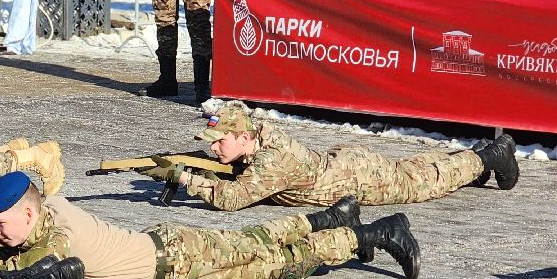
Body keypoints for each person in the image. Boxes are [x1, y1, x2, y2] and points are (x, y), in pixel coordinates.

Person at [0, 171, 421, 279]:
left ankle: (372, 234)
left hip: (177, 258)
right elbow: (3, 255)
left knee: (276, 260)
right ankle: (337, 221)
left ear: (27, 213)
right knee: (263, 246)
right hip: (169, 254)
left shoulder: (56, 239)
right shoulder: (44, 212)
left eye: (0, 222)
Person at [160, 102, 519, 212]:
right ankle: (473, 158)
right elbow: (239, 166)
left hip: (356, 179)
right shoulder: (254, 138)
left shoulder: (273, 161)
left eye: (219, 141)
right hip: (342, 165)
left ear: (242, 136)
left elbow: (233, 199)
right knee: (416, 168)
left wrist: (187, 179)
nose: (214, 148)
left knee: (422, 182)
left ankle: (493, 155)